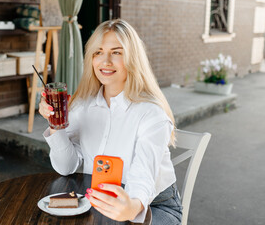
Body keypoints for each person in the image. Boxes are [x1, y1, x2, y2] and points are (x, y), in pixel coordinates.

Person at [39, 19, 182, 224]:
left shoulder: (152, 113)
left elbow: (143, 174)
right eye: (98, 52)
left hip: (153, 205)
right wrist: (55, 125)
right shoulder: (84, 105)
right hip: (100, 199)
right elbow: (66, 167)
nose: (105, 61)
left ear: (133, 59)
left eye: (116, 52)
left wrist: (132, 208)